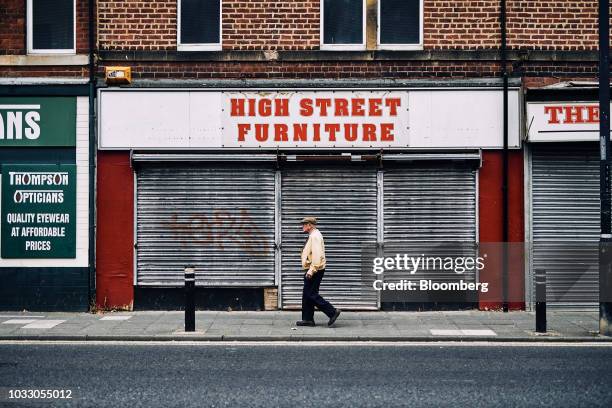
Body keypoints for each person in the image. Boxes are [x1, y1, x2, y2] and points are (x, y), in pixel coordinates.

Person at [296, 217, 341, 327]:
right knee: (307, 295)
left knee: (311, 294)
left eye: (304, 224)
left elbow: (317, 255)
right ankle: (308, 319)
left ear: (310, 225)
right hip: (313, 268)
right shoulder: (313, 235)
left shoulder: (315, 236)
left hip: (315, 270)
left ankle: (332, 311)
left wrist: (312, 270)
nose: (303, 226)